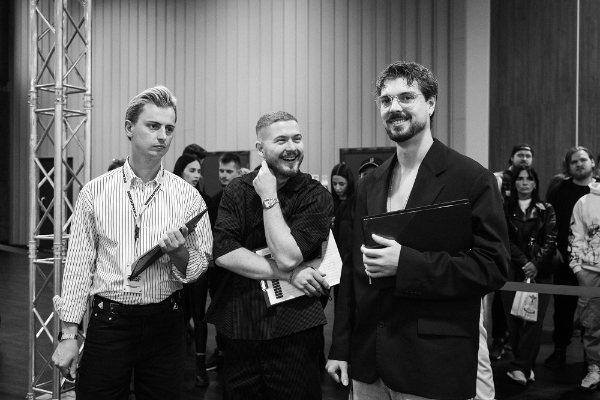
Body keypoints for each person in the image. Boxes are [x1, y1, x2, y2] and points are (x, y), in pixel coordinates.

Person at [326, 61, 509, 400]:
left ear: (431, 103)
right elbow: (352, 271)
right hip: (369, 362)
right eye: (386, 100)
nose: (394, 107)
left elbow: (493, 266)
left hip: (431, 362)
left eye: (406, 97)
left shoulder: (471, 179)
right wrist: (340, 347)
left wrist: (406, 264)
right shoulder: (369, 184)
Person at [51, 86, 213, 399]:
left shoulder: (188, 196)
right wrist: (69, 333)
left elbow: (198, 267)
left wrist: (179, 253)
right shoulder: (95, 192)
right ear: (129, 128)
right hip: (110, 322)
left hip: (166, 322)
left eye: (169, 128)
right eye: (153, 126)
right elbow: (78, 266)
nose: (162, 136)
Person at [204, 111, 333, 400]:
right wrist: (289, 273)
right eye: (281, 140)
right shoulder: (237, 189)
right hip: (241, 329)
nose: (292, 147)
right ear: (260, 149)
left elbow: (287, 255)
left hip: (295, 330)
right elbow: (223, 252)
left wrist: (268, 197)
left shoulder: (315, 195)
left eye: (297, 139)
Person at [500, 166, 557, 385]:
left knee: (534, 321)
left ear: (535, 183)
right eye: (520, 179)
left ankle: (520, 366)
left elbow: (551, 239)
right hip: (513, 270)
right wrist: (525, 263)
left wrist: (536, 264)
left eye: (529, 179)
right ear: (514, 183)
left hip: (541, 272)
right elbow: (504, 239)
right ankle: (525, 366)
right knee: (514, 320)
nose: (524, 183)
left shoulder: (546, 209)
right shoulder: (505, 207)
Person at [545, 146, 596, 368]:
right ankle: (559, 350)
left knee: (593, 310)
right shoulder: (559, 190)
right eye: (574, 162)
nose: (579, 164)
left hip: (594, 264)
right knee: (563, 309)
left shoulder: (598, 191)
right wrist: (553, 249)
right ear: (568, 167)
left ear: (592, 162)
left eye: (583, 160)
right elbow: (549, 223)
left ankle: (591, 356)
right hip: (564, 260)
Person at [173, 154, 217, 387]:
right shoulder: (168, 196)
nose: (197, 175)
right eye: (192, 170)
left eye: (199, 171)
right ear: (180, 171)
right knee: (178, 317)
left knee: (199, 317)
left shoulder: (204, 199)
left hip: (199, 263)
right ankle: (175, 366)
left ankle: (200, 368)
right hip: (173, 264)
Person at [489, 144, 535, 360]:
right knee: (501, 298)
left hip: (525, 250)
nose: (525, 159)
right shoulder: (498, 179)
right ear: (511, 158)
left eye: (528, 155)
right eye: (520, 155)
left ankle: (518, 343)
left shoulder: (530, 179)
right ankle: (499, 339)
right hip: (502, 245)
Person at [569, 178, 600, 390]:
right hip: (590, 271)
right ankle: (594, 367)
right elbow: (575, 237)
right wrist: (577, 269)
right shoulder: (584, 201)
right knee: (591, 324)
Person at [330, 162, 356, 300]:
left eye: (341, 184)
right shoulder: (329, 202)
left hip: (348, 257)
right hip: (333, 256)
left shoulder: (355, 203)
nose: (337, 188)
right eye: (334, 184)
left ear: (349, 183)